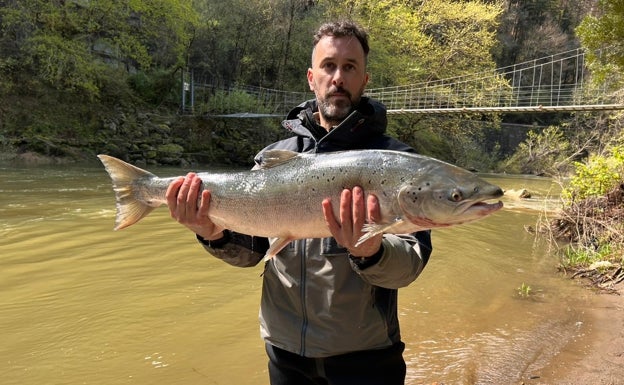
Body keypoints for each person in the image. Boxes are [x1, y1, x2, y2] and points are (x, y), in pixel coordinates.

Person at [165, 20, 433, 385]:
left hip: (367, 357)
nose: (338, 77)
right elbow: (252, 252)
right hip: (285, 354)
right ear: (311, 77)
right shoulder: (271, 158)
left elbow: (409, 266)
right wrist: (211, 233)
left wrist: (370, 250)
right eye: (329, 66)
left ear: (365, 80)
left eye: (350, 67)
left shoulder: (397, 162)